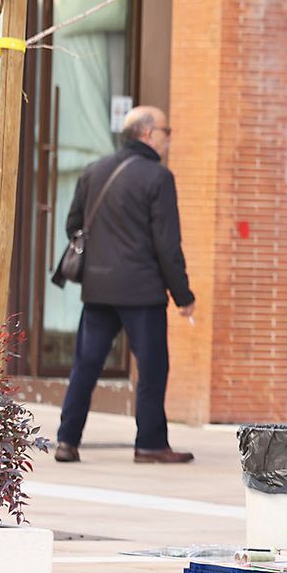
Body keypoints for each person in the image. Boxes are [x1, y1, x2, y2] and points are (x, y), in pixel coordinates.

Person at [53, 106, 196, 464]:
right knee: (152, 368)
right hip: (142, 292)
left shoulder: (94, 170)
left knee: (86, 365)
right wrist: (183, 296)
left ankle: (67, 440)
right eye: (166, 131)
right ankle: (149, 444)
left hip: (98, 289)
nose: (168, 139)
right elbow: (168, 245)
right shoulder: (158, 178)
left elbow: (73, 226)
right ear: (147, 133)